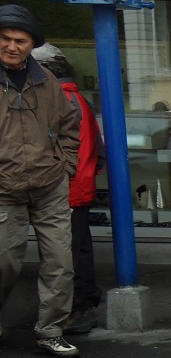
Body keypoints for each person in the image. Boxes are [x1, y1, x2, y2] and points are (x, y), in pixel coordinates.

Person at [0, 4, 81, 358]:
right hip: (4, 189)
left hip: (49, 184)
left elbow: (69, 125)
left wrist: (67, 165)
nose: (11, 46)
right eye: (5, 38)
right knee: (4, 262)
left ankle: (50, 331)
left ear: (31, 45)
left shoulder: (46, 81)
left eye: (20, 40)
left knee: (60, 262)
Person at [31, 43, 103, 335]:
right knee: (76, 249)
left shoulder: (57, 100)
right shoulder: (78, 99)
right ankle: (80, 305)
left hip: (64, 189)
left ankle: (77, 309)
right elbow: (98, 150)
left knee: (66, 255)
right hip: (77, 185)